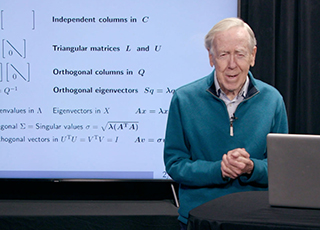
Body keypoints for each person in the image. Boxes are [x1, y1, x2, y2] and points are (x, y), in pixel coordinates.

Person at [163, 17, 288, 229]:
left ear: (252, 56)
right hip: (200, 220)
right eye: (223, 55)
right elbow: (175, 164)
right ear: (211, 58)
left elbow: (282, 168)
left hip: (257, 220)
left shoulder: (273, 99)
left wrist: (251, 168)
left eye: (239, 54)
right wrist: (218, 169)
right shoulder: (183, 99)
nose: (232, 64)